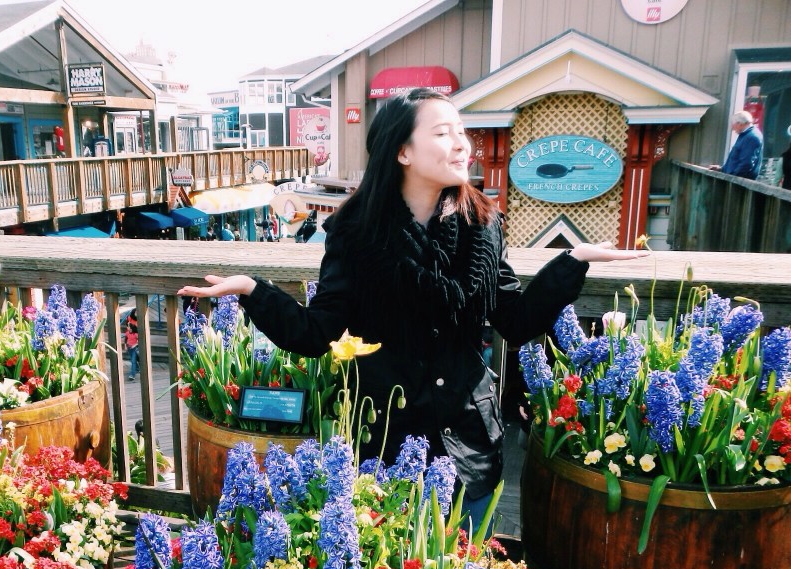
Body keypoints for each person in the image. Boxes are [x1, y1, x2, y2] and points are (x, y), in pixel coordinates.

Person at [178, 87, 646, 524]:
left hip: (471, 449)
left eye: (462, 133)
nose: (462, 144)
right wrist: (252, 290)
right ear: (402, 151)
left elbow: (517, 321)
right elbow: (318, 333)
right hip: (386, 451)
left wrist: (574, 260)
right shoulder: (357, 234)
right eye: (443, 133)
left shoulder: (481, 225)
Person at [710, 111, 763, 180]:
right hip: (738, 180)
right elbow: (737, 159)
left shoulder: (751, 137)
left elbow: (746, 163)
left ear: (740, 124)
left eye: (733, 124)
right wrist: (723, 169)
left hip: (739, 183)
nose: (732, 127)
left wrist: (732, 177)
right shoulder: (746, 135)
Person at [124, 309, 140, 381]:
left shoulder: (136, 333)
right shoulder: (130, 318)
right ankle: (137, 368)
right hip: (129, 346)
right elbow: (126, 338)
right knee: (134, 359)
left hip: (134, 345)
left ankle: (132, 375)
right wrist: (125, 345)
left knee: (133, 360)